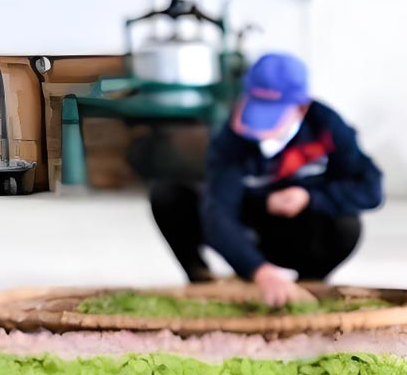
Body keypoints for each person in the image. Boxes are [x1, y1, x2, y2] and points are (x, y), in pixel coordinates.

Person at [148, 52, 382, 307]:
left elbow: (371, 188)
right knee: (168, 195)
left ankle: (309, 285)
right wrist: (258, 269)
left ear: (301, 107)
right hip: (249, 228)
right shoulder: (230, 138)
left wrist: (309, 198)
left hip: (300, 230)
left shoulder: (326, 126)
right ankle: (205, 282)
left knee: (346, 225)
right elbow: (219, 212)